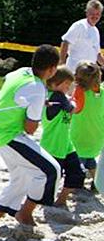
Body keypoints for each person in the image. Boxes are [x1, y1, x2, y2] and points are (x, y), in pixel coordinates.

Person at [0, 45, 61, 234]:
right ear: (52, 69)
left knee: (20, 178)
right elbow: (30, 128)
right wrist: (37, 106)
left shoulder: (20, 72)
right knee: (51, 170)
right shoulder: (37, 87)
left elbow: (15, 92)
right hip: (8, 135)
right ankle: (25, 213)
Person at [40, 66, 85, 206]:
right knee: (52, 178)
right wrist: (73, 101)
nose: (68, 86)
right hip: (53, 145)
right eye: (66, 83)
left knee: (77, 173)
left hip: (65, 143)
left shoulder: (58, 97)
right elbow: (73, 109)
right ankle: (47, 202)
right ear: (54, 84)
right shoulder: (56, 97)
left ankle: (61, 200)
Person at [70, 61, 104, 189]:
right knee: (90, 159)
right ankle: (96, 183)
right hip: (98, 135)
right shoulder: (103, 92)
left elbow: (73, 108)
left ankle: (76, 184)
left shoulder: (79, 92)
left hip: (80, 135)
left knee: (78, 163)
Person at [60, 0, 104, 71]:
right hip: (74, 70)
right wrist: (61, 63)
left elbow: (98, 55)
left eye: (97, 14)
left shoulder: (95, 31)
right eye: (92, 13)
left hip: (89, 72)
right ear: (86, 13)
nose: (95, 16)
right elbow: (65, 42)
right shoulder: (79, 25)